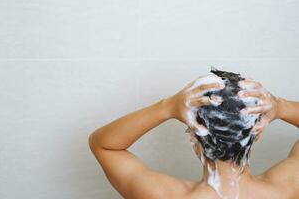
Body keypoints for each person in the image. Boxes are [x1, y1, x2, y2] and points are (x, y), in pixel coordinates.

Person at [88, 70, 299, 199]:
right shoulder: (285, 190)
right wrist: (281, 107)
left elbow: (104, 145)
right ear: (257, 134)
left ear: (193, 138)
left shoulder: (161, 195)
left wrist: (167, 107)